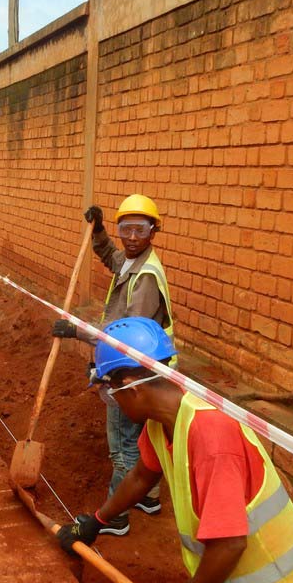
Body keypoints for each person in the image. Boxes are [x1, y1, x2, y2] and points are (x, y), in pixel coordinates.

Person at [58, 318, 293, 583]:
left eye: (110, 394)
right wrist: (96, 521)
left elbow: (230, 543)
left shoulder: (211, 436)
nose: (112, 405)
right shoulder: (163, 423)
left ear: (133, 386)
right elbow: (142, 477)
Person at [51, 194, 174, 535]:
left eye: (141, 229)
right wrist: (100, 230)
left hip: (133, 374)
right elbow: (109, 256)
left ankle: (116, 516)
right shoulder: (133, 261)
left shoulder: (146, 276)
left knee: (123, 447)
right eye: (125, 229)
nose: (132, 236)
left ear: (154, 232)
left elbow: (129, 339)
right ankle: (148, 497)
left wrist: (76, 331)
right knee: (142, 439)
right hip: (140, 369)